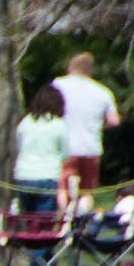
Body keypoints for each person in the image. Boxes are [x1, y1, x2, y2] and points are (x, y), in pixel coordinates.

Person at [12, 84, 69, 266]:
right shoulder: (59, 125)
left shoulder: (25, 122)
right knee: (45, 224)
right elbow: (65, 153)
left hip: (24, 176)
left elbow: (19, 145)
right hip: (47, 176)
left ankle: (40, 264)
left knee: (32, 225)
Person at [52, 52, 118, 196]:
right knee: (87, 192)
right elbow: (114, 121)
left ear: (70, 67)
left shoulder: (57, 85)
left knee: (64, 190)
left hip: (65, 148)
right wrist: (100, 126)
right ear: (90, 70)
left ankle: (65, 217)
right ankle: (85, 217)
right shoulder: (103, 92)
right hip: (91, 148)